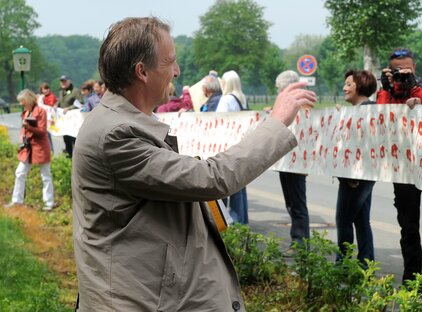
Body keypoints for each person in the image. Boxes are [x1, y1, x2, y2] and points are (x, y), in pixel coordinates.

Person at [72, 17, 315, 311]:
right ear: (142, 72)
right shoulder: (116, 134)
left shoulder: (120, 119)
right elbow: (211, 179)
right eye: (170, 62)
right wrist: (276, 123)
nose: (177, 71)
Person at [377, 47, 422, 290]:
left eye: (406, 69)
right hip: (403, 169)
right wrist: (388, 89)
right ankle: (412, 284)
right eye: (397, 70)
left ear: (415, 67)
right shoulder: (386, 91)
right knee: (408, 229)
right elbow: (379, 119)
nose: (401, 73)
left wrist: (413, 86)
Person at [336, 69, 378, 266]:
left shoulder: (368, 112)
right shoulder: (360, 111)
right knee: (361, 220)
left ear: (360, 86)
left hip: (356, 175)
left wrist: (355, 174)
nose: (344, 88)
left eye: (349, 84)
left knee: (343, 220)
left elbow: (365, 146)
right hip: (357, 174)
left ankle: (342, 266)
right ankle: (365, 265)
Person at [275, 70, 310, 250]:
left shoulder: (302, 105)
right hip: (286, 160)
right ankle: (298, 240)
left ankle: (300, 243)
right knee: (291, 203)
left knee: (297, 204)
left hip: (297, 162)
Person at [7, 89, 54, 211]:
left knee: (46, 175)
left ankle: (49, 203)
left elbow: (43, 131)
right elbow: (24, 129)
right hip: (27, 148)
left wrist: (29, 128)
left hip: (40, 147)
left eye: (22, 101)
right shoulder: (26, 112)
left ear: (28, 99)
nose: (21, 103)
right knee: (19, 172)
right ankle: (17, 201)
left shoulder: (41, 111)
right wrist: (22, 136)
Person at [217, 70, 249, 224]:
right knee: (240, 186)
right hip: (241, 145)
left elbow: (219, 121)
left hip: (227, 146)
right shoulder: (242, 99)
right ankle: (243, 222)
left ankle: (231, 222)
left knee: (228, 185)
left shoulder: (226, 100)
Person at [55, 75, 82, 157]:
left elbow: (80, 103)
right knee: (65, 137)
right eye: (61, 81)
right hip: (64, 119)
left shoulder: (75, 91)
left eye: (65, 81)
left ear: (69, 81)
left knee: (73, 137)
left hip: (73, 118)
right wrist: (55, 105)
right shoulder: (61, 91)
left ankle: (77, 156)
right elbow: (60, 102)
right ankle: (69, 155)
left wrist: (69, 108)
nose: (63, 83)